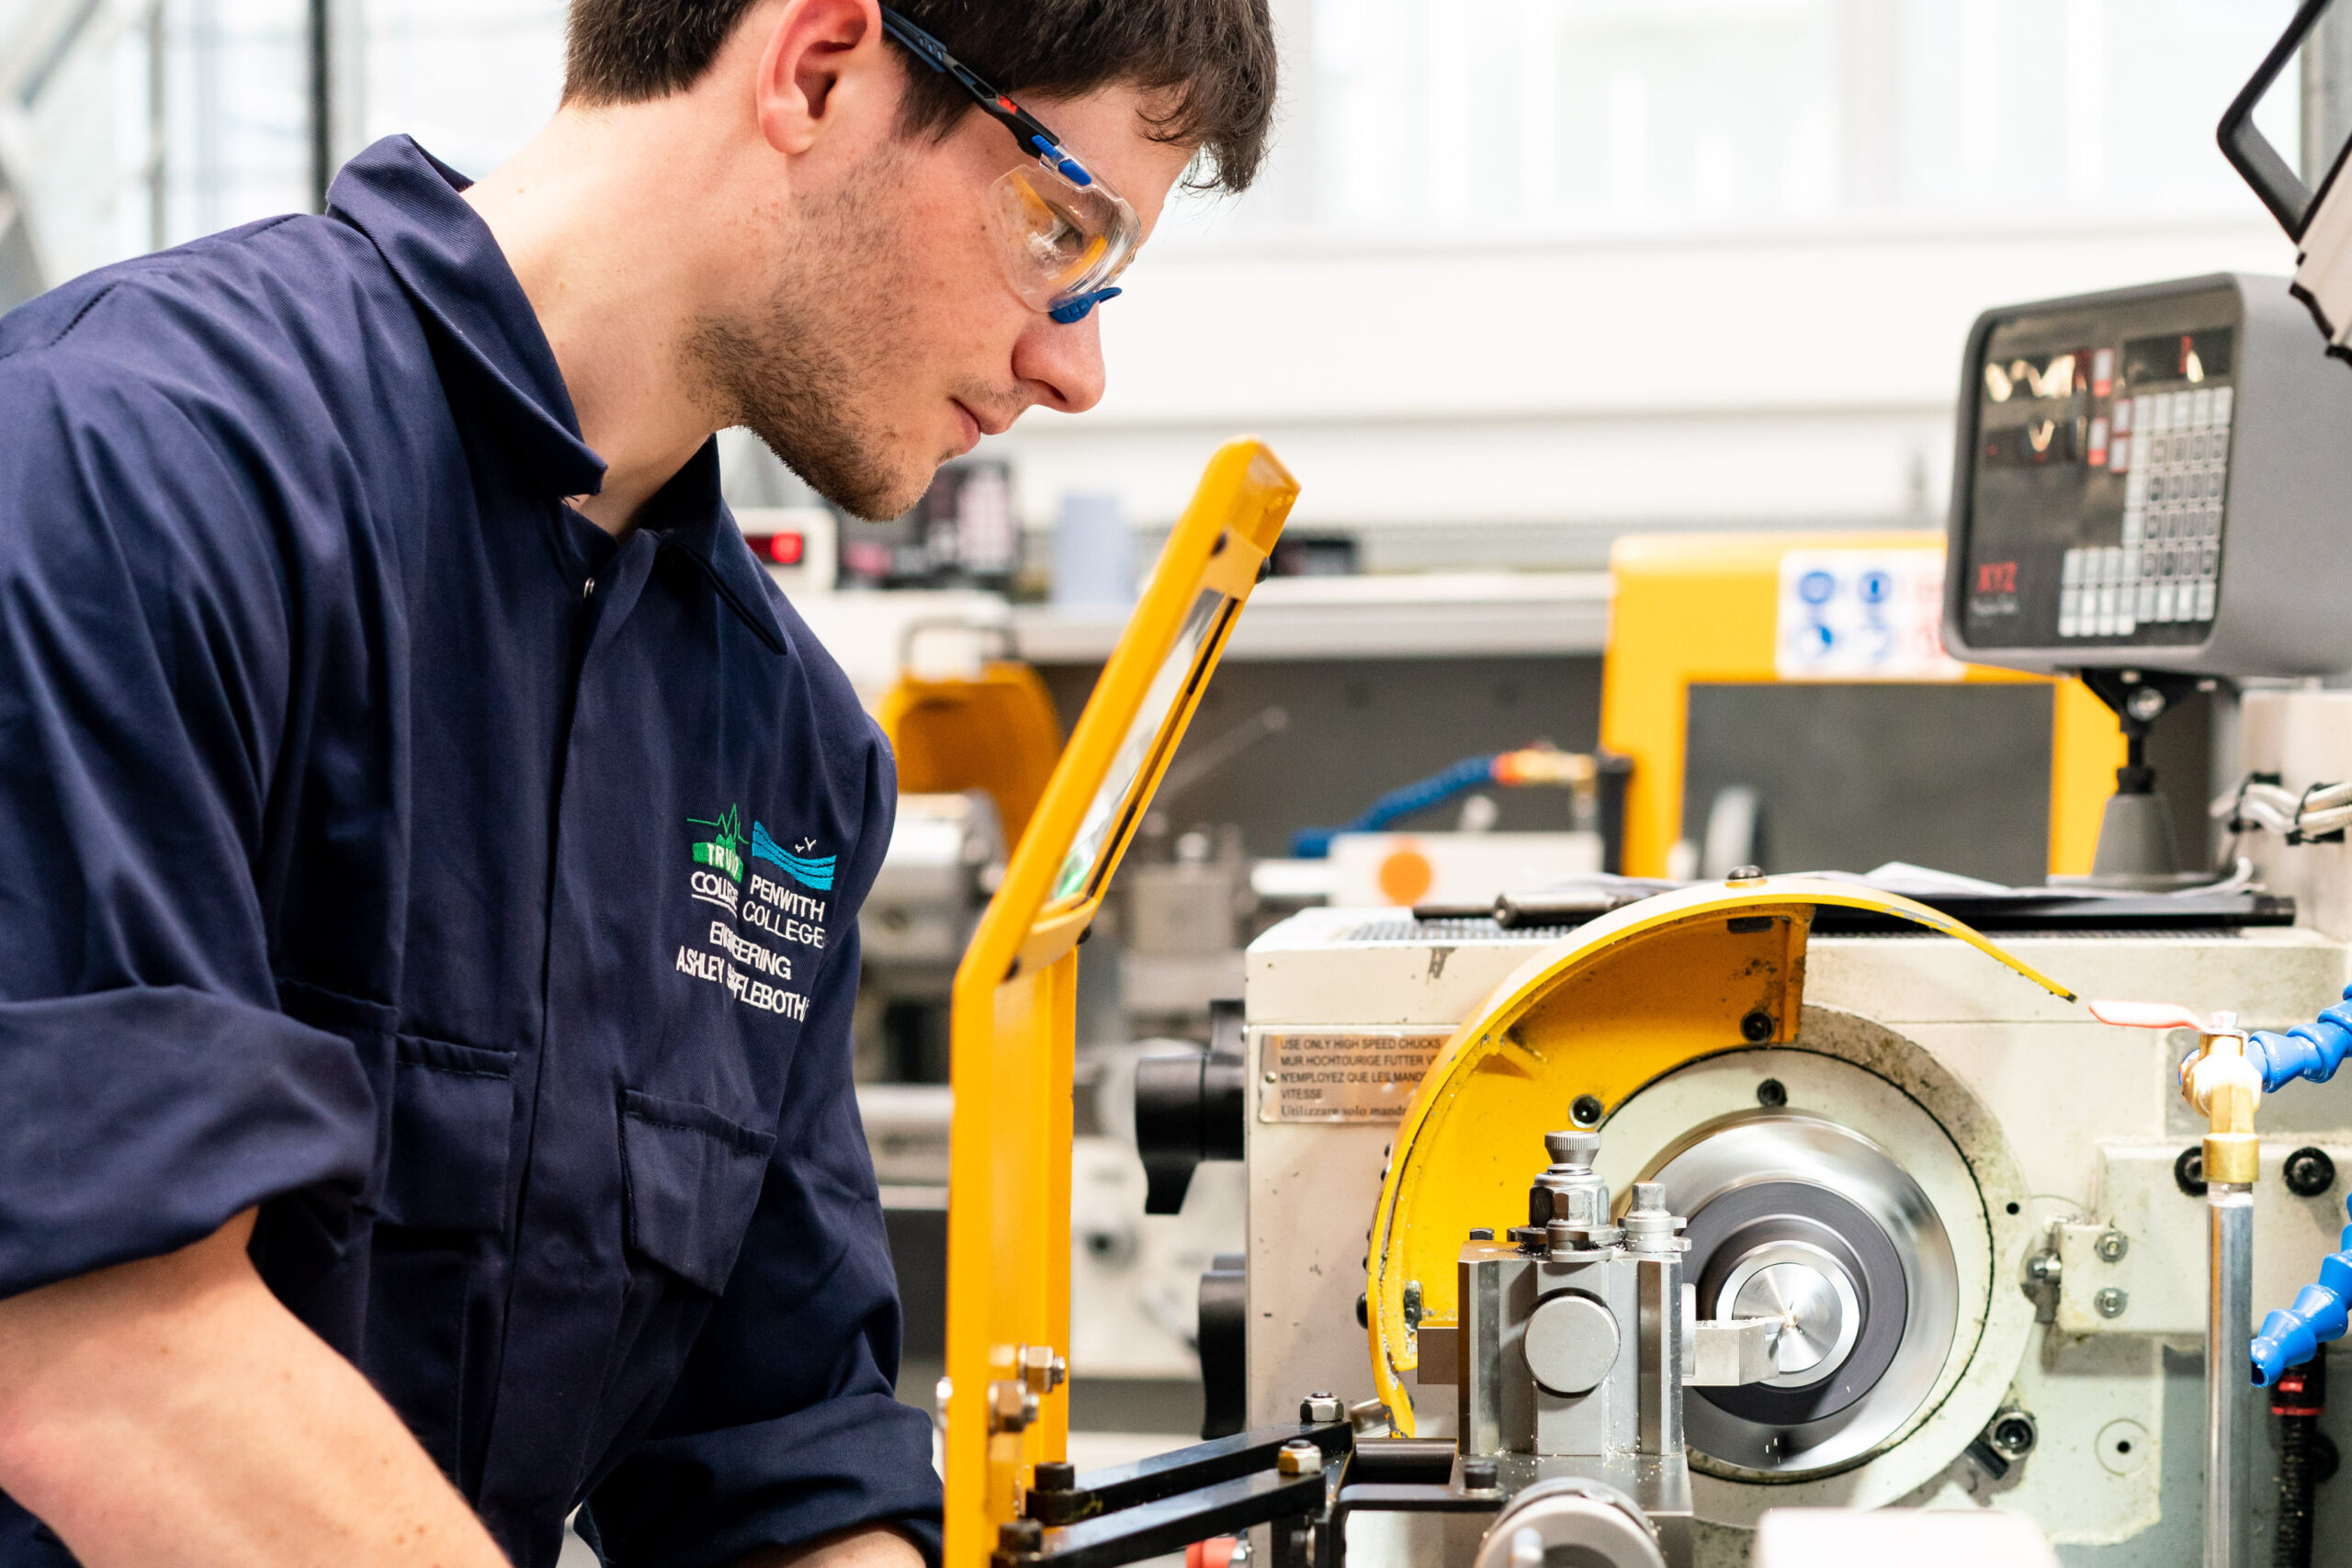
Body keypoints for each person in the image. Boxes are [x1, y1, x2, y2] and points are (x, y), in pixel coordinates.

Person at [0, 1, 1275, 1564]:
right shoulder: (122, 477)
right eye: (1062, 233)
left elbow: (772, 1462)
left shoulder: (782, 746)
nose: (1073, 366)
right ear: (817, 71)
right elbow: (100, 1354)